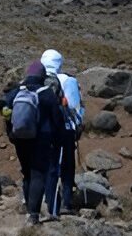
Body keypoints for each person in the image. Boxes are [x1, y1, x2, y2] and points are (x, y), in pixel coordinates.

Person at [5, 61, 65, 225]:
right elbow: (57, 118)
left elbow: (3, 105)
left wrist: (10, 131)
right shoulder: (46, 93)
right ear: (42, 76)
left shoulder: (17, 91)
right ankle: (33, 215)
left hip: (20, 138)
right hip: (41, 139)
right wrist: (59, 139)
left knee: (27, 173)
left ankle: (27, 207)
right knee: (38, 174)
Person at [41, 49, 83, 219]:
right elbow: (74, 106)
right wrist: (78, 125)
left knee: (47, 165)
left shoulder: (37, 79)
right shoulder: (67, 80)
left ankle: (45, 201)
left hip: (43, 129)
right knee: (66, 166)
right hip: (65, 128)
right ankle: (65, 202)